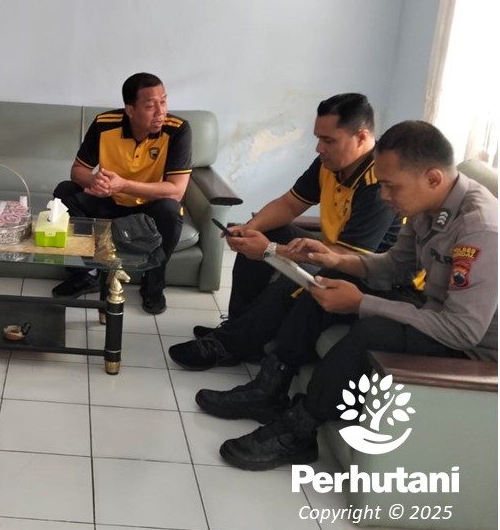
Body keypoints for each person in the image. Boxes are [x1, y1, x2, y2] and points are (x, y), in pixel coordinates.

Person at [200, 121, 497, 471]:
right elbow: (396, 266)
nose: (384, 196)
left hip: (470, 346)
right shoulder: (427, 206)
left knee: (373, 331)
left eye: (391, 186)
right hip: (434, 311)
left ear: (432, 178)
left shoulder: (481, 229)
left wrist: (361, 303)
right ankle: (270, 387)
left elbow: (463, 330)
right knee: (327, 280)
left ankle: (299, 429)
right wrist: (335, 259)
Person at [168, 93, 400, 370]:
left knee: (297, 279)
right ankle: (238, 327)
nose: (319, 148)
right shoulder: (330, 163)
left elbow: (345, 257)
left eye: (328, 140)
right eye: (318, 138)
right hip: (333, 252)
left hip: (365, 273)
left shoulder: (378, 183)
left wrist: (269, 250)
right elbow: (290, 204)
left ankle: (226, 345)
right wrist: (250, 229)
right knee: (266, 232)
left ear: (361, 137)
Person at [50, 72, 192, 315]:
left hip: (149, 207)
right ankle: (87, 273)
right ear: (130, 110)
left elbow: (176, 190)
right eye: (150, 105)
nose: (161, 112)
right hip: (109, 201)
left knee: (170, 209)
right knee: (65, 192)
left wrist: (123, 184)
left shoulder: (178, 130)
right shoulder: (105, 124)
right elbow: (78, 171)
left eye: (164, 101)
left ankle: (153, 283)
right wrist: (95, 180)